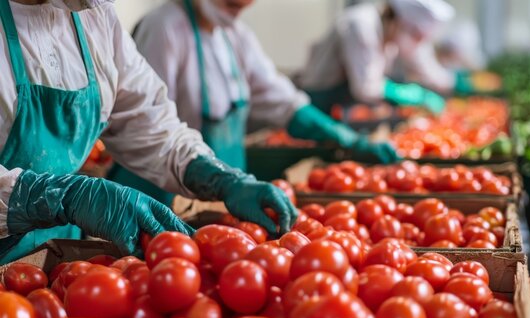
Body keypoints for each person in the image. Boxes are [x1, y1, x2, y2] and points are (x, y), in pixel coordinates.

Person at [0, 0, 297, 263]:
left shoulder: (94, 18)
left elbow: (148, 119)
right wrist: (58, 197)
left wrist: (217, 176)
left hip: (55, 257)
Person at [107, 0, 400, 207]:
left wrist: (345, 137)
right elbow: (146, 123)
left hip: (216, 192)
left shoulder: (235, 35)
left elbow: (282, 101)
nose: (240, 6)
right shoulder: (164, 27)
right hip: (157, 193)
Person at [298, 0, 466, 113]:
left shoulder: (394, 33)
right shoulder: (361, 25)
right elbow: (365, 88)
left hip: (345, 103)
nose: (417, 43)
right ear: (397, 20)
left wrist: (453, 81)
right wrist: (404, 93)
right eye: (415, 36)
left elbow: (424, 65)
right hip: (320, 97)